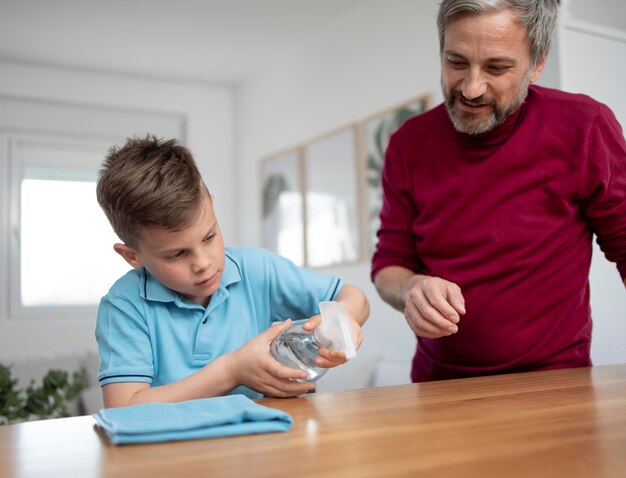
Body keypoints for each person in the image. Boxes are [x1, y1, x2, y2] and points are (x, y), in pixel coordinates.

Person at [371, 0, 626, 382]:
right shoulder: (408, 145)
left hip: (555, 384)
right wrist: (412, 288)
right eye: (456, 62)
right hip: (438, 387)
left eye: (497, 67)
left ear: (537, 63)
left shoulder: (584, 127)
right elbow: (388, 265)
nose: (471, 89)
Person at [96, 135, 369, 407]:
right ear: (132, 256)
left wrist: (343, 323)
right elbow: (123, 408)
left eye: (209, 237)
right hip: (172, 449)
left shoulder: (256, 269)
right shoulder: (124, 304)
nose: (203, 263)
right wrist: (231, 370)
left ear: (212, 206)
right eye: (177, 254)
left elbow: (353, 296)